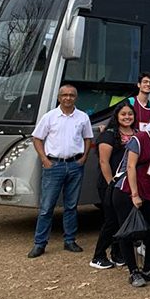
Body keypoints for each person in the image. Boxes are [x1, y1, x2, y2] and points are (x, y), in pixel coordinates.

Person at [28, 84, 93, 258]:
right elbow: (37, 138)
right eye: (64, 95)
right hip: (53, 166)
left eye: (71, 95)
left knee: (71, 206)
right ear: (59, 97)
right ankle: (40, 243)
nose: (68, 98)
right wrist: (44, 160)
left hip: (74, 165)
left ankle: (69, 240)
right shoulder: (49, 117)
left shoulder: (83, 117)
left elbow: (88, 138)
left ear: (76, 98)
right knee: (47, 207)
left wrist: (84, 157)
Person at [112, 108, 150, 287]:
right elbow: (130, 166)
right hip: (126, 192)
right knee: (127, 232)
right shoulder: (139, 139)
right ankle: (133, 271)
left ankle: (148, 268)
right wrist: (135, 194)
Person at [89, 102, 134, 269]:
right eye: (123, 114)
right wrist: (111, 184)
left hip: (127, 185)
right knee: (111, 220)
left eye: (130, 114)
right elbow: (104, 162)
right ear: (116, 116)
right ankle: (98, 256)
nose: (127, 117)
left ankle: (117, 253)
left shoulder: (136, 134)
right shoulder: (109, 135)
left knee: (121, 220)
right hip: (110, 184)